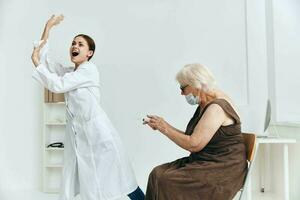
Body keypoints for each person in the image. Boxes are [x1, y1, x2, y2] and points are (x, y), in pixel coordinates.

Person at [31, 15, 144, 200]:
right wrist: (48, 26)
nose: (74, 46)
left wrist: (36, 63)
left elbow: (57, 85)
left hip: (99, 136)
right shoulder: (71, 72)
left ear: (89, 53)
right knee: (85, 184)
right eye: (73, 43)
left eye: (80, 44)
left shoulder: (88, 70)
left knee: (122, 180)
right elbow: (46, 63)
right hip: (79, 138)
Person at [143, 63, 247, 200]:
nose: (181, 93)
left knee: (165, 180)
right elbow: (191, 137)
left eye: (182, 87)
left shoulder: (217, 107)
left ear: (196, 84)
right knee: (157, 174)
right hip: (206, 161)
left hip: (222, 168)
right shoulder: (205, 103)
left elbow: (194, 144)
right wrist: (162, 125)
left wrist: (164, 128)